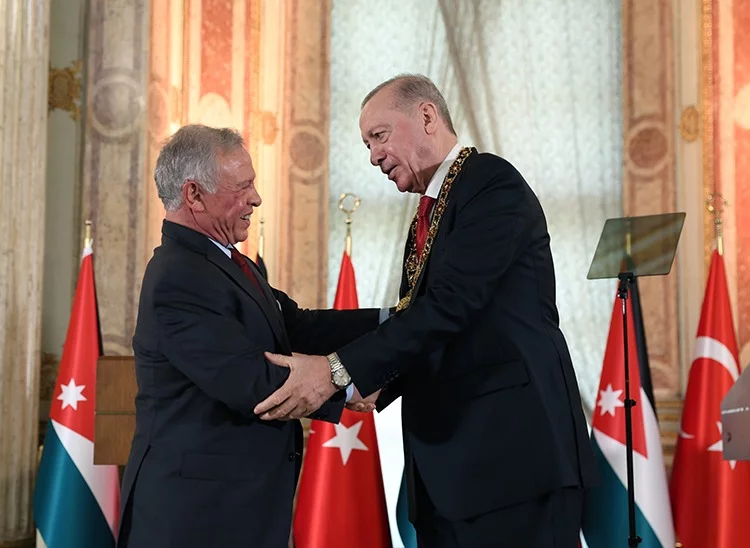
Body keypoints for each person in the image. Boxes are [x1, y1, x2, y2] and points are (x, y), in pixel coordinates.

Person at [253, 75, 597, 547]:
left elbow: (448, 308)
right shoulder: (434, 207)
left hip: (514, 465)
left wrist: (336, 371)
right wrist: (287, 321)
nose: (373, 155)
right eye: (367, 144)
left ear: (428, 117)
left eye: (379, 136)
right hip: (454, 475)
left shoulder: (490, 184)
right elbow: (410, 317)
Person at [117, 124, 379, 548]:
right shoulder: (178, 276)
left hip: (234, 510)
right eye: (242, 187)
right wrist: (348, 382)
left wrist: (400, 319)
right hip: (196, 519)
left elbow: (299, 327)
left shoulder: (227, 263)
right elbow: (250, 380)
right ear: (194, 194)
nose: (255, 198)